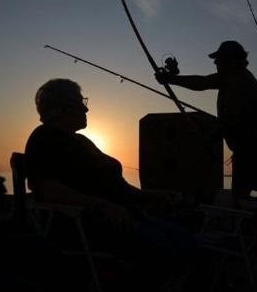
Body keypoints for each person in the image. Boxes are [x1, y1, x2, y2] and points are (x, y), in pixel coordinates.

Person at [24, 78, 194, 288]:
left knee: (188, 241)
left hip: (125, 216)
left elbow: (119, 188)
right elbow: (49, 190)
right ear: (62, 107)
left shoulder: (82, 142)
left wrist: (155, 195)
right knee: (168, 247)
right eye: (80, 102)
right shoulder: (44, 139)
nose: (86, 108)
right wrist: (104, 206)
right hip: (90, 226)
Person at [155, 40, 257, 199]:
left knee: (253, 191)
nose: (216, 63)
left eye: (219, 59)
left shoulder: (239, 81)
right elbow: (203, 82)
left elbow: (231, 121)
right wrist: (171, 80)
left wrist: (209, 138)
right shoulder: (230, 77)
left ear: (231, 60)